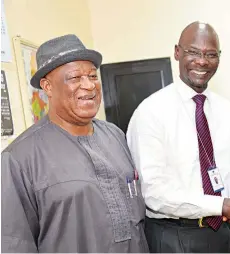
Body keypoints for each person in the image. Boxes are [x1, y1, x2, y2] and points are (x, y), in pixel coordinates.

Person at [1, 34, 149, 253]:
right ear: (48, 87)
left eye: (92, 75)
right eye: (75, 78)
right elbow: (14, 244)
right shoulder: (18, 159)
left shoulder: (115, 136)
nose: (89, 85)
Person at [127, 21, 230, 253]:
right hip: (174, 237)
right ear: (177, 52)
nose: (202, 61)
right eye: (193, 52)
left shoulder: (227, 110)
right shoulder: (150, 112)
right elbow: (153, 193)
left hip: (224, 235)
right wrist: (221, 205)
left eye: (211, 54)